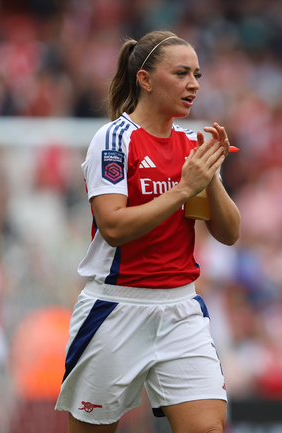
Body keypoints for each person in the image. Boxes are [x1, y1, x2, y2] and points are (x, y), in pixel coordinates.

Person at [55, 30, 240, 433]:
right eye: (181, 73)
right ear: (145, 79)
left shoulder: (193, 144)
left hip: (180, 309)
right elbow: (113, 227)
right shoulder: (113, 139)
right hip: (115, 308)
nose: (193, 84)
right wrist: (184, 188)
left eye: (197, 74)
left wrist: (210, 176)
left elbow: (229, 233)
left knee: (208, 429)